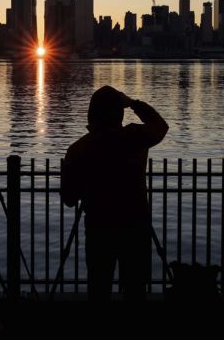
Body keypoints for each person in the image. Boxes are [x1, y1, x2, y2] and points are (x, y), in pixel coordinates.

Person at [60, 86, 169, 301]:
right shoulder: (135, 136)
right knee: (135, 289)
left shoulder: (80, 148)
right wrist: (134, 104)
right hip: (135, 224)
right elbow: (160, 126)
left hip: (99, 227)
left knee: (99, 288)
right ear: (120, 112)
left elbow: (69, 199)